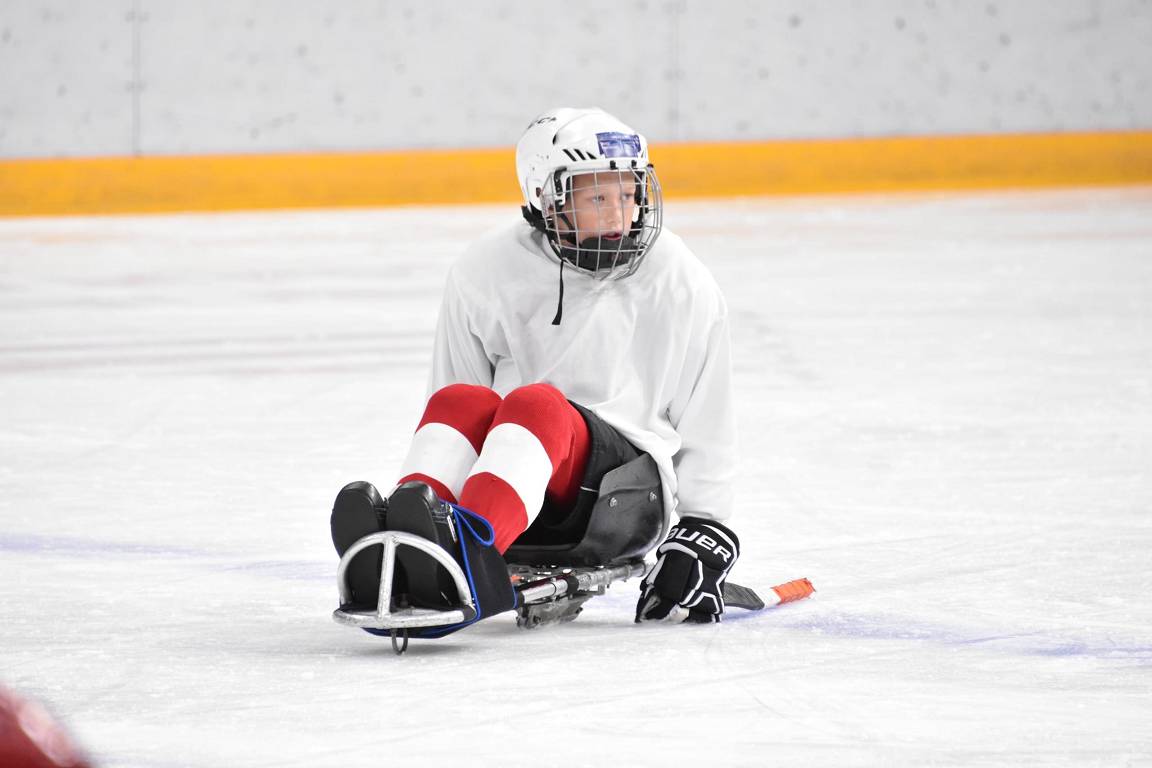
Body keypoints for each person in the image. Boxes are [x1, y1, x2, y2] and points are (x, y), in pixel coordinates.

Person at [331, 107, 741, 634]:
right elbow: (454, 397)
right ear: (547, 199)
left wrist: (706, 528)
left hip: (621, 496)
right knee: (460, 401)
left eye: (629, 193)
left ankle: (462, 566)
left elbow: (708, 416)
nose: (620, 216)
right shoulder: (485, 269)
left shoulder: (680, 279)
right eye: (598, 198)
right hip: (508, 491)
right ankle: (411, 551)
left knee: (534, 402)